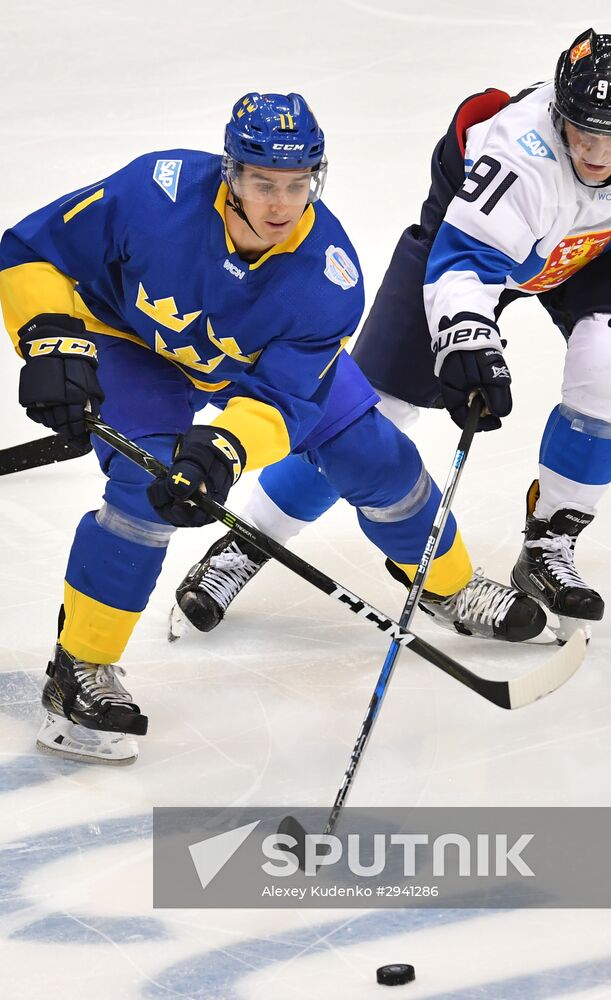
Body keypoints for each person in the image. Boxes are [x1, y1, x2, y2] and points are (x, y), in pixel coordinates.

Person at [0, 93, 543, 765]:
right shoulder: (153, 192)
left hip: (252, 364)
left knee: (377, 460)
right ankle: (80, 668)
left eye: (298, 184)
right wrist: (51, 338)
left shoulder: (328, 275)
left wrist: (225, 450)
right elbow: (31, 247)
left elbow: (286, 402)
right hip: (129, 341)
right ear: (230, 174)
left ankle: (448, 586)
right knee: (145, 490)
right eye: (263, 183)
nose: (282, 204)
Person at [174, 29, 611, 642]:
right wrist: (468, 340)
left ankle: (552, 540)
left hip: (594, 251)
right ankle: (249, 540)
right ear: (557, 109)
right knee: (367, 417)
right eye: (580, 130)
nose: (596, 152)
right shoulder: (520, 151)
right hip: (470, 246)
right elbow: (463, 265)